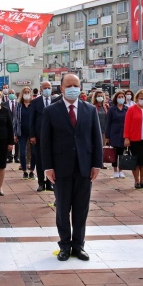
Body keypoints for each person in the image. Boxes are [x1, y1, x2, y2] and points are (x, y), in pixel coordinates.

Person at [42, 73, 102, 261]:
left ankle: (78, 245)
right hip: (61, 168)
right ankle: (64, 245)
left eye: (75, 85)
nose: (72, 88)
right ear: (61, 88)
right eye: (68, 85)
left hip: (84, 167)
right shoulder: (51, 111)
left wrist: (96, 164)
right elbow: (46, 141)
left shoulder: (89, 109)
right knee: (62, 209)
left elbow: (96, 139)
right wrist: (48, 167)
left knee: (81, 209)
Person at [123, 89, 143, 189]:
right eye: (141, 98)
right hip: (135, 139)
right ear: (137, 98)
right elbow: (127, 124)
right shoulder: (131, 109)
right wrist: (126, 138)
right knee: (136, 161)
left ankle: (142, 181)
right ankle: (136, 181)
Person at [30, 81, 56, 192]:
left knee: (52, 159)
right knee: (39, 159)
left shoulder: (56, 101)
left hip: (54, 135)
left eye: (49, 87)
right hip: (39, 135)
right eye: (45, 88)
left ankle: (50, 182)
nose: (47, 90)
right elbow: (31, 120)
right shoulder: (35, 102)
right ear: (41, 89)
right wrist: (32, 135)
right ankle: (41, 183)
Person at [104, 91, 128, 179]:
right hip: (114, 133)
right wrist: (107, 136)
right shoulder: (112, 109)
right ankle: (115, 170)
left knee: (122, 153)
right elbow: (108, 123)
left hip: (123, 133)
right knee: (114, 153)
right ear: (116, 98)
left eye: (122, 96)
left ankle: (121, 170)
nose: (121, 98)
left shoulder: (127, 109)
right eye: (119, 97)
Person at [13, 87, 35, 180]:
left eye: (28, 92)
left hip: (32, 132)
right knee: (22, 152)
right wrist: (14, 133)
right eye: (25, 92)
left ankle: (32, 171)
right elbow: (15, 120)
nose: (26, 93)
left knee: (34, 152)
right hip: (21, 132)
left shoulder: (33, 105)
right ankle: (25, 171)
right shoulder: (18, 105)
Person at [91, 89, 109, 168]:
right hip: (95, 130)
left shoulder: (106, 107)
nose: (100, 97)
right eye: (98, 96)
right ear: (95, 97)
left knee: (102, 147)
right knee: (94, 146)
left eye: (101, 96)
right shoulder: (92, 107)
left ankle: (101, 162)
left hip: (104, 130)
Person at [4, 89, 18, 163]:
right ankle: (8, 156)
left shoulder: (18, 103)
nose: (11, 94)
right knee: (8, 140)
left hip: (17, 125)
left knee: (17, 141)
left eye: (13, 93)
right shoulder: (4, 104)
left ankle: (17, 156)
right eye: (10, 93)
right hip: (8, 125)